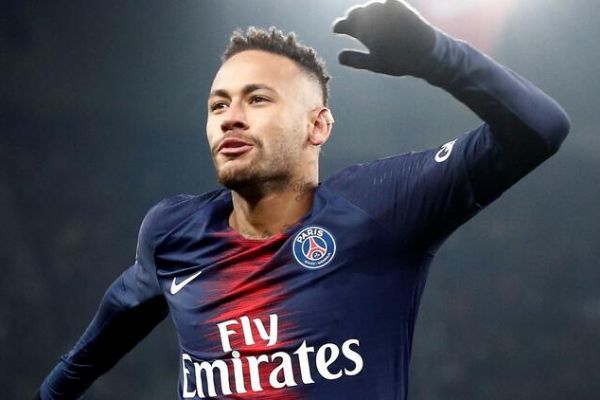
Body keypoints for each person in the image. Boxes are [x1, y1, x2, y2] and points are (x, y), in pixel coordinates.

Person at [35, 0, 570, 399]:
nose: (230, 117)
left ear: (318, 125)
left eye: (257, 99)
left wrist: (437, 55)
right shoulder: (172, 233)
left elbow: (541, 129)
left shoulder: (380, 207)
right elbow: (102, 338)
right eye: (218, 104)